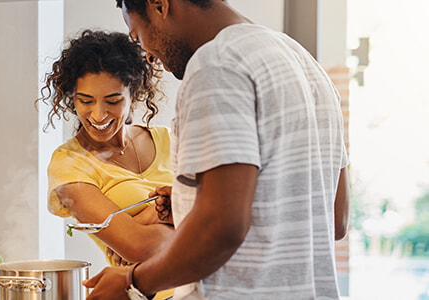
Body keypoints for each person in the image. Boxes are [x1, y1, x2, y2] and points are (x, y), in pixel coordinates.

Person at [82, 0, 351, 299]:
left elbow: (221, 228)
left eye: (138, 35)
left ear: (159, 5)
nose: (148, 55)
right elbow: (335, 218)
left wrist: (133, 282)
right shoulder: (304, 63)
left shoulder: (217, 63)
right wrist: (194, 207)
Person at [38, 29, 194, 300]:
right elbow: (141, 249)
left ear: (133, 94)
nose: (98, 114)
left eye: (113, 100)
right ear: (71, 98)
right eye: (85, 101)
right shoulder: (69, 164)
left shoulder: (170, 139)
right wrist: (179, 213)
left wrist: (148, 219)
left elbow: (227, 215)